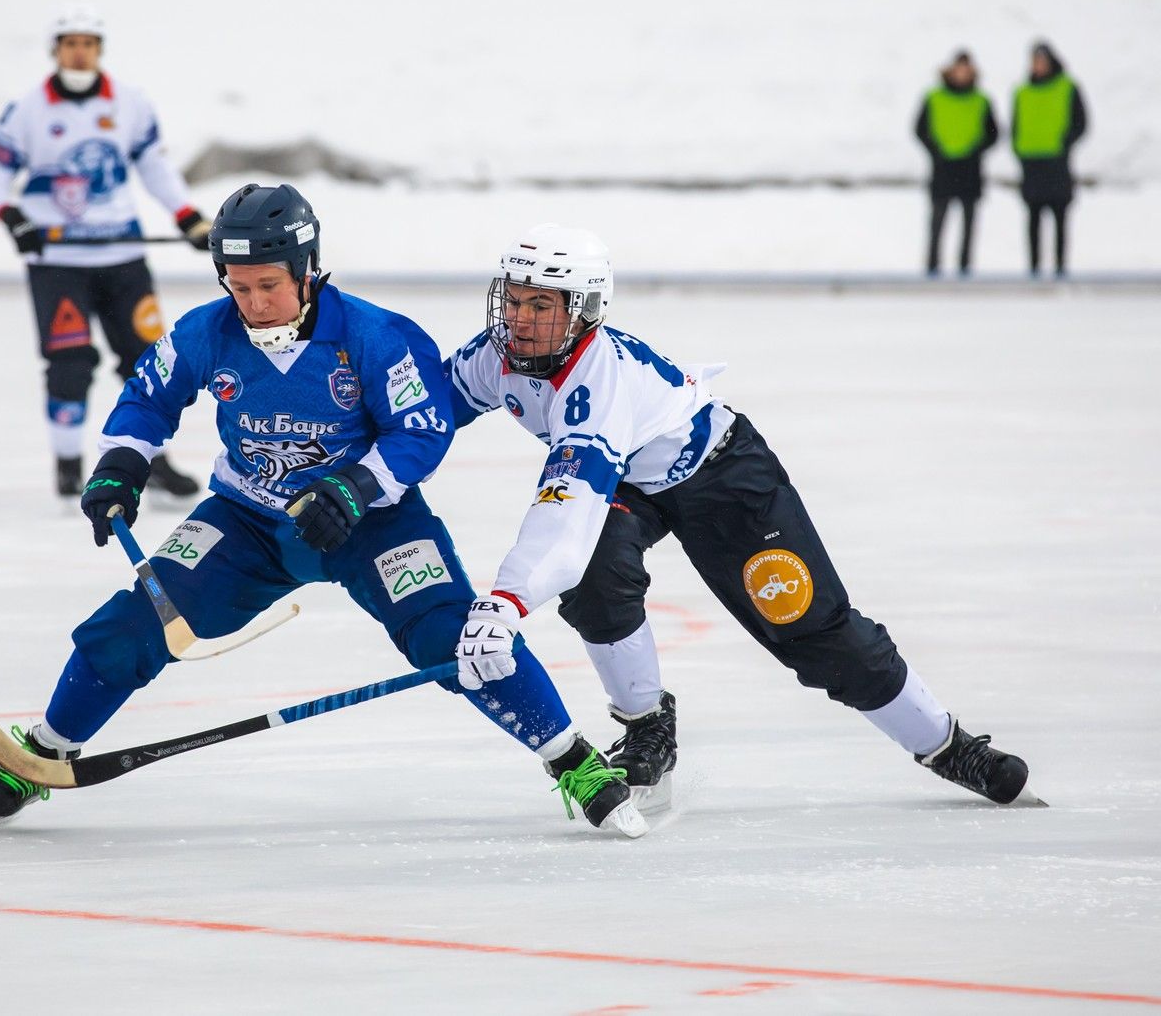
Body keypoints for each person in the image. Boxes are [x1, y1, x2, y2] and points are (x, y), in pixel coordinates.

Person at [0, 184, 642, 836]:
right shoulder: (207, 331)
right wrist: (121, 463)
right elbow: (148, 396)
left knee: (452, 636)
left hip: (373, 522)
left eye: (268, 284)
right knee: (132, 625)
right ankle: (44, 752)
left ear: (309, 270)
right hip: (248, 523)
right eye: (238, 284)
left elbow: (423, 429)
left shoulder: (376, 336)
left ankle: (571, 757)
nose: (252, 301)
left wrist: (354, 487)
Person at [443, 224, 1039, 822]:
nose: (520, 319)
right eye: (515, 299)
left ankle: (946, 745)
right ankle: (648, 727)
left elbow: (565, 508)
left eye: (541, 305)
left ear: (585, 311)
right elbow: (424, 411)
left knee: (813, 631)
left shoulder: (597, 386)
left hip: (723, 478)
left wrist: (504, 603)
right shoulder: (496, 357)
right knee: (595, 576)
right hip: (634, 483)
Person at [0, 5, 207, 500]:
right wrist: (14, 218)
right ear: (55, 50)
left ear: (99, 51)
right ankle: (67, 465)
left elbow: (155, 168)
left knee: (149, 363)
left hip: (122, 259)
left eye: (88, 43)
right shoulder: (27, 110)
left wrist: (185, 214)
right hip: (58, 264)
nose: (79, 52)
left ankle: (152, 459)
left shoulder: (130, 103)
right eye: (70, 43)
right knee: (70, 364)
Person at [913, 50, 998, 276]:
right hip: (942, 168)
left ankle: (965, 270)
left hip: (970, 169)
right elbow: (920, 129)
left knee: (969, 224)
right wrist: (936, 150)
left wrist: (975, 151)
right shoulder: (934, 97)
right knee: (937, 221)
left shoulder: (981, 100)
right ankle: (932, 269)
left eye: (966, 70)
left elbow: (994, 133)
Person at [1012, 41, 1088, 276]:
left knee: (1059, 218)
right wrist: (1021, 150)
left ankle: (1060, 268)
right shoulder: (1023, 91)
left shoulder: (1067, 87)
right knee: (1033, 219)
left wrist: (1064, 144)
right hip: (1032, 164)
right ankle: (1034, 269)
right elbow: (1015, 125)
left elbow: (1081, 122)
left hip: (1057, 163)